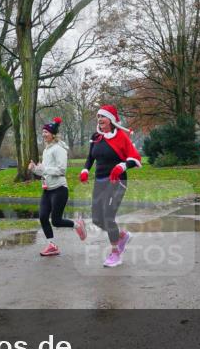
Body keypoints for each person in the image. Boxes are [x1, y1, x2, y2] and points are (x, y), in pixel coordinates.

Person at [78, 105, 142, 268]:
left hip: (117, 181)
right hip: (99, 181)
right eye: (98, 117)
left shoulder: (121, 136)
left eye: (103, 117)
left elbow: (135, 158)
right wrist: (85, 170)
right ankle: (122, 236)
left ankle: (115, 253)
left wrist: (121, 166)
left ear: (111, 120)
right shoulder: (96, 137)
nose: (100, 120)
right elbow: (90, 157)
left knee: (108, 216)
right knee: (97, 219)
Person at [29, 117, 84, 257]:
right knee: (42, 217)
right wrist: (35, 169)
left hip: (59, 189)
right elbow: (45, 171)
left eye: (46, 132)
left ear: (53, 134)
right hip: (47, 190)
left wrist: (43, 169)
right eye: (43, 132)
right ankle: (52, 245)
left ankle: (77, 225)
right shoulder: (46, 150)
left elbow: (61, 170)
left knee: (56, 221)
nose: (43, 134)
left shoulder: (59, 149)